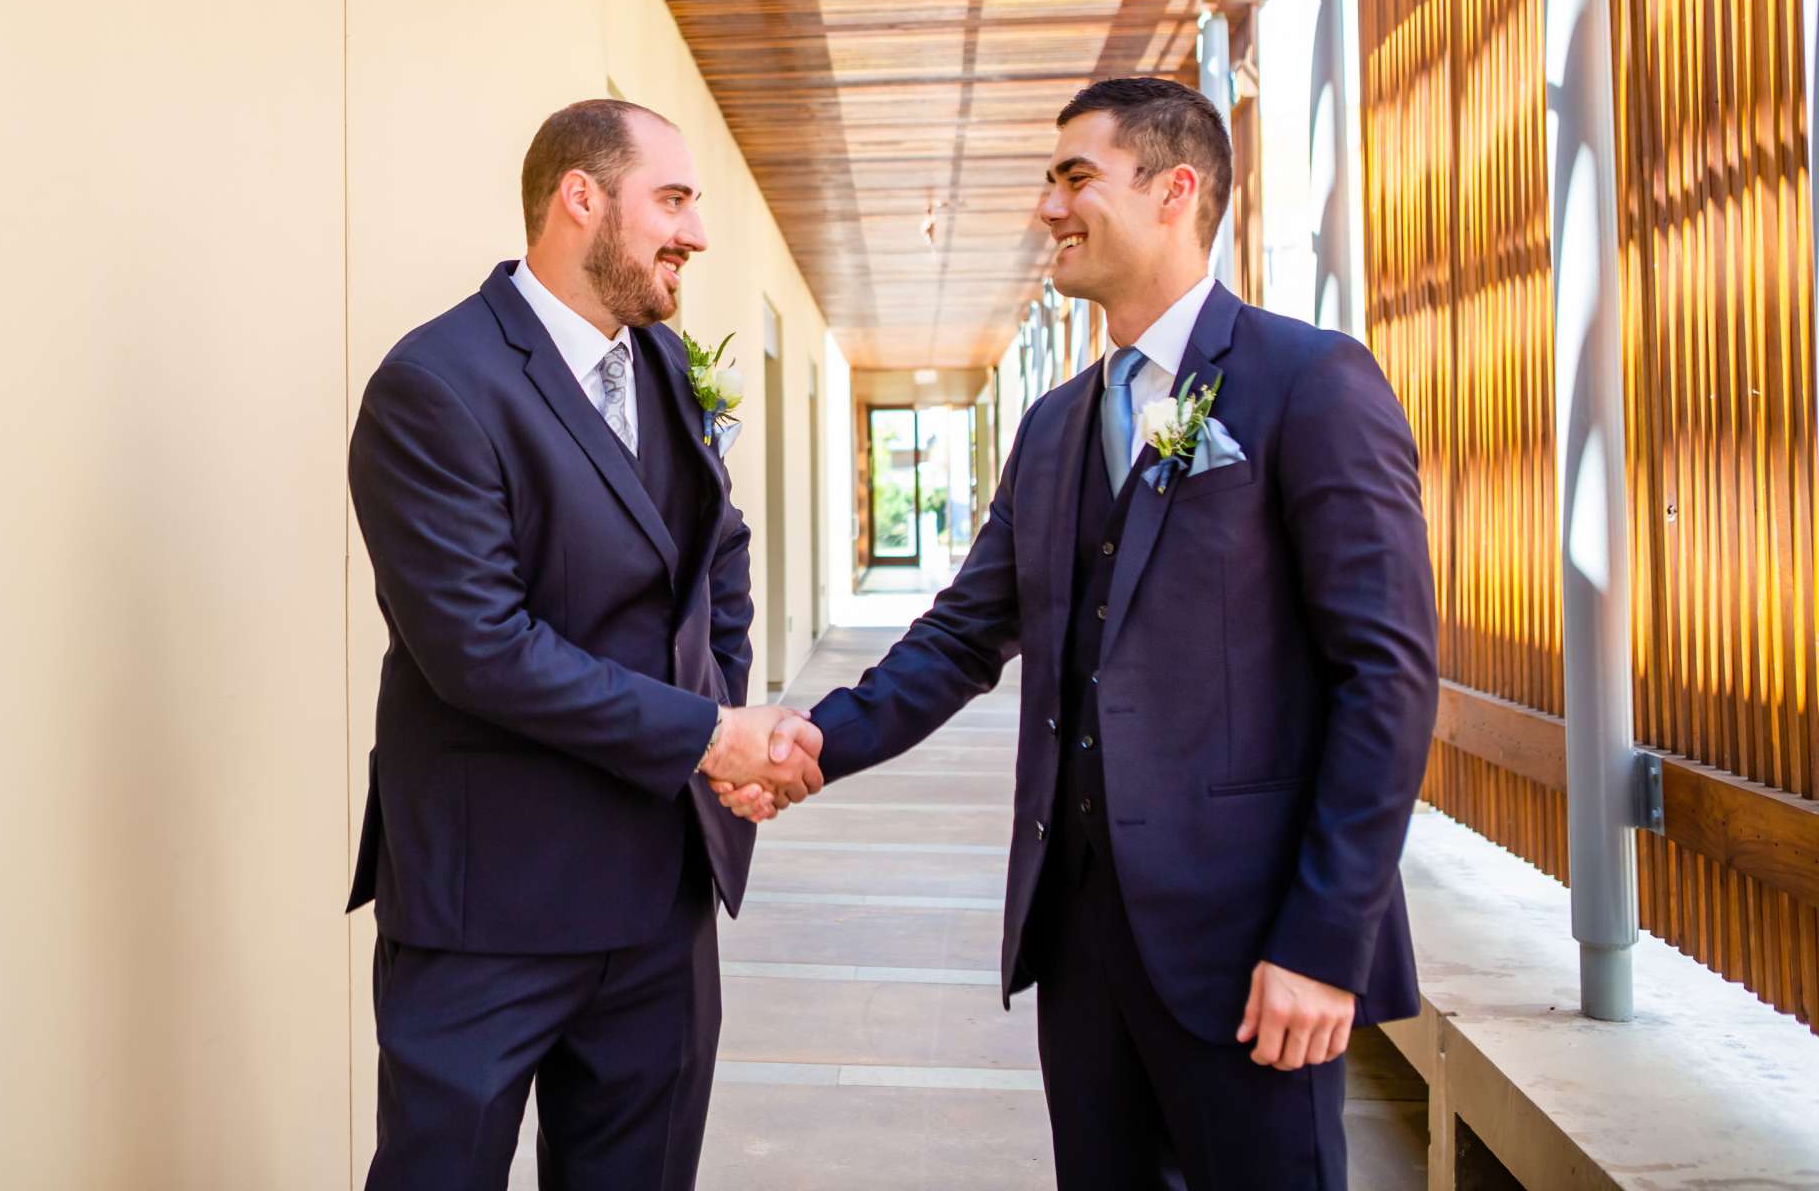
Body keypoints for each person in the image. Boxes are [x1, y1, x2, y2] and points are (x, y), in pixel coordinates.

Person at [721, 76, 1439, 1189]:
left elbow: (1384, 677)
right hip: (1081, 939)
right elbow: (964, 634)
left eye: (1074, 178)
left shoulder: (1311, 383)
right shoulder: (1055, 427)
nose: (1047, 209)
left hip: (1255, 942)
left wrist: (1322, 939)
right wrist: (818, 737)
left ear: (1175, 191)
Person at [347, 98, 823, 1191]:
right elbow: (478, 646)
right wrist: (711, 733)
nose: (695, 233)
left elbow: (719, 555)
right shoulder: (436, 385)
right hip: (488, 909)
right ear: (580, 197)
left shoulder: (660, 365)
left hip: (659, 898)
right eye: (674, 199)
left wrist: (727, 713)